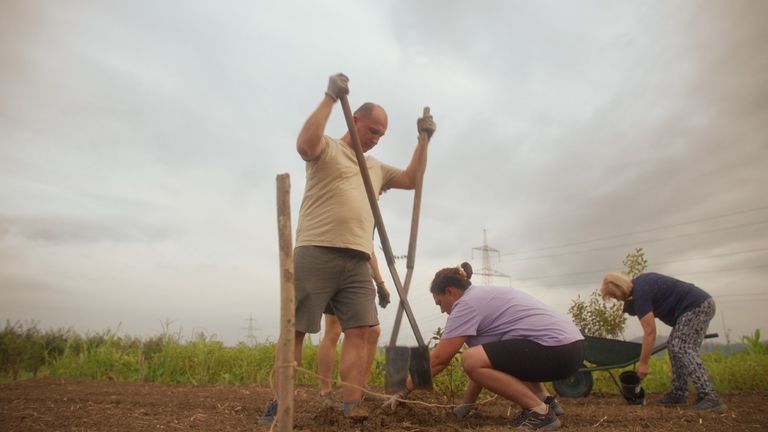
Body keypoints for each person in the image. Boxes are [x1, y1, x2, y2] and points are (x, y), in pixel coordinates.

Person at [258, 72, 435, 423]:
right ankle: (280, 404)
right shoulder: (328, 147)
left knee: (363, 331)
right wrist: (330, 97)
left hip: (357, 260)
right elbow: (304, 147)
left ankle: (351, 406)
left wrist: (423, 140)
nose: (376, 140)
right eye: (372, 131)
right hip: (316, 250)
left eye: (381, 135)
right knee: (295, 329)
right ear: (355, 120)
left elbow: (413, 179)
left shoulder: (376, 167)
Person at [384, 263, 584, 431]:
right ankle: (546, 401)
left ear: (450, 292)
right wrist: (465, 407)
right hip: (571, 349)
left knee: (470, 358)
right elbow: (488, 364)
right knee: (483, 357)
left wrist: (403, 390)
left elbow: (439, 359)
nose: (442, 310)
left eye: (440, 303)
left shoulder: (466, 305)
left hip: (555, 349)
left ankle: (540, 412)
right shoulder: (483, 296)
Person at [600, 272, 726, 411]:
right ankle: (679, 394)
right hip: (696, 305)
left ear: (619, 288)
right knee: (674, 346)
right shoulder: (640, 284)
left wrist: (643, 364)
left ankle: (710, 397)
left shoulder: (640, 294)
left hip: (697, 306)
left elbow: (650, 332)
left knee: (682, 347)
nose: (617, 300)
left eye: (614, 296)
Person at [317, 252, 390, 406]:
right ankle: (325, 392)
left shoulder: (369, 228)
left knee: (373, 331)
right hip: (333, 267)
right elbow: (370, 251)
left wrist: (379, 283)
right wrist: (380, 283)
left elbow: (369, 250)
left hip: (359, 275)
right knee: (333, 330)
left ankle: (361, 387)